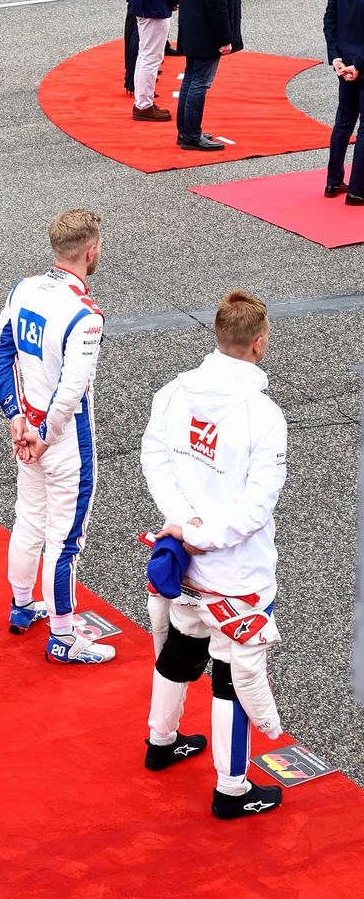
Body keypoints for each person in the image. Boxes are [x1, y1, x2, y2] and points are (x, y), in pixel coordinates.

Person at [140, 290, 287, 820]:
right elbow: (257, 508)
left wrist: (184, 525)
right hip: (238, 573)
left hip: (182, 561)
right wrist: (209, 534)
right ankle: (232, 789)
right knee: (232, 674)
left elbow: (154, 460)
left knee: (182, 644)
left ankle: (161, 742)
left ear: (219, 336)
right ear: (259, 343)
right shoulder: (264, 416)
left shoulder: (173, 393)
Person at [0, 208, 110, 665]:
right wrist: (44, 433)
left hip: (28, 431)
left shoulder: (23, 289)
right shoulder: (86, 315)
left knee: (28, 520)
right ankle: (62, 636)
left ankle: (22, 604)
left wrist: (16, 417)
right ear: (91, 251)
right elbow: (72, 389)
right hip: (63, 440)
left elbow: (0, 356)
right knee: (65, 539)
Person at [176, 0, 241, 152]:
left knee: (191, 78)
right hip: (206, 34)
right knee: (199, 82)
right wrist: (225, 38)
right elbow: (217, 4)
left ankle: (185, 130)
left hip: (194, 29)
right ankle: (191, 135)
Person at [324, 0, 364, 203]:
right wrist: (358, 65)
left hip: (345, 64)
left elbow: (330, 21)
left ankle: (333, 181)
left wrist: (337, 58)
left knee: (343, 124)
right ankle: (358, 190)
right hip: (358, 66)